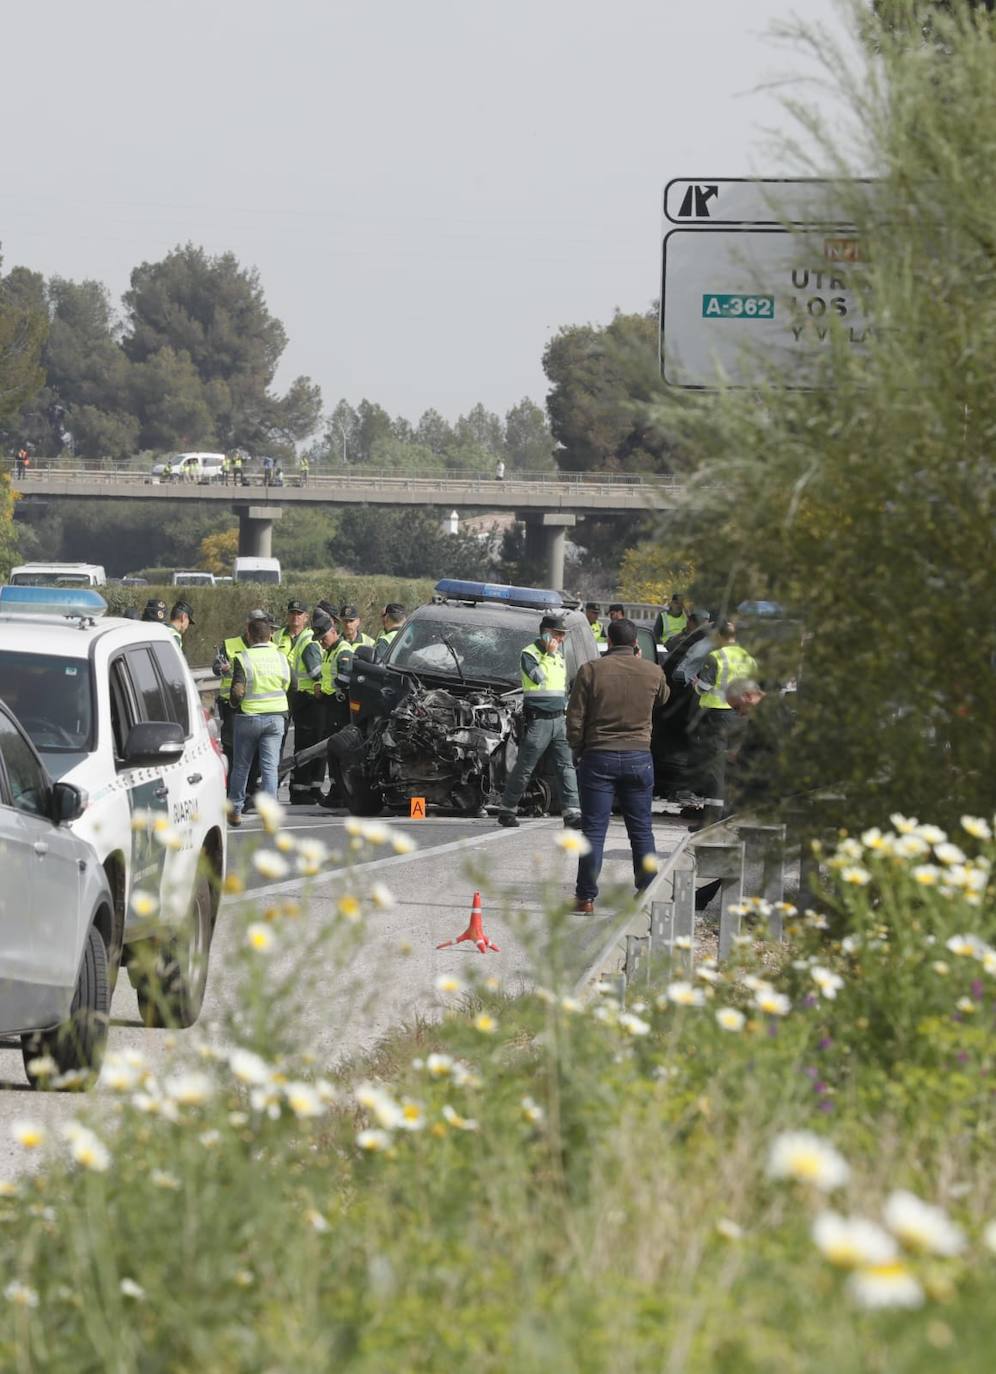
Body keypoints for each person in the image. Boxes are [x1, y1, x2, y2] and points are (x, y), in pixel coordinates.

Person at [566, 618, 670, 913]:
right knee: (641, 830)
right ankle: (647, 890)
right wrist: (644, 665)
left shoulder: (591, 670)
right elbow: (663, 698)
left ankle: (585, 898)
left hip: (598, 756)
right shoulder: (652, 671)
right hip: (639, 757)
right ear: (636, 643)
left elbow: (575, 717)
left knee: (594, 830)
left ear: (608, 642)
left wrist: (577, 748)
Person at [497, 614, 582, 829]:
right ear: (545, 633)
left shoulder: (559, 656)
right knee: (525, 767)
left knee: (566, 767)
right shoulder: (530, 654)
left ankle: (572, 814)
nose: (561, 639)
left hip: (558, 720)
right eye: (558, 634)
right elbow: (538, 677)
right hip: (539, 721)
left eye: (563, 635)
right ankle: (507, 810)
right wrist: (548, 653)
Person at [689, 620, 759, 827]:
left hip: (717, 716)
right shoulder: (749, 659)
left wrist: (695, 685)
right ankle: (733, 815)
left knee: (716, 768)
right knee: (735, 766)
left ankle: (712, 819)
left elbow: (704, 687)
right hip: (741, 716)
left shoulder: (716, 656)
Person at [227, 611, 291, 825]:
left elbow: (237, 691)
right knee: (270, 767)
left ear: (249, 634)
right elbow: (293, 685)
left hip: (249, 717)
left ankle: (235, 809)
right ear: (270, 635)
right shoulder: (281, 657)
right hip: (275, 717)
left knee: (241, 766)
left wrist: (233, 705)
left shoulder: (244, 658)